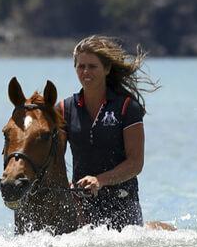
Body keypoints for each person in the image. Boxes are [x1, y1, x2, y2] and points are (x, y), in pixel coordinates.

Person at [59, 35, 159, 230]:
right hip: (81, 204)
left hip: (122, 203)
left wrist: (100, 181)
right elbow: (53, 158)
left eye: (92, 66)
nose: (86, 71)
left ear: (106, 69)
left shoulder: (127, 107)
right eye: (81, 66)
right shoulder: (64, 109)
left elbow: (135, 164)